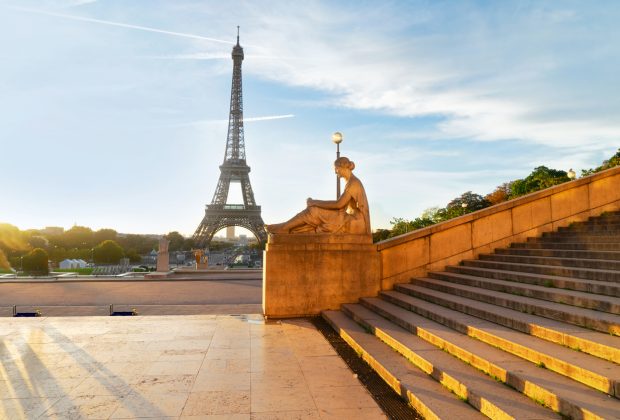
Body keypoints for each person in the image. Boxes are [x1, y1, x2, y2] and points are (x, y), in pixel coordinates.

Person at [265, 156, 370, 235]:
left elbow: (339, 204)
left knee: (314, 209)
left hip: (354, 222)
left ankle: (285, 228)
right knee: (315, 211)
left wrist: (315, 202)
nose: (335, 171)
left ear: (342, 167)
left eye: (336, 168)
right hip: (349, 219)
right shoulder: (351, 182)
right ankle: (287, 228)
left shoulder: (353, 183)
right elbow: (342, 206)